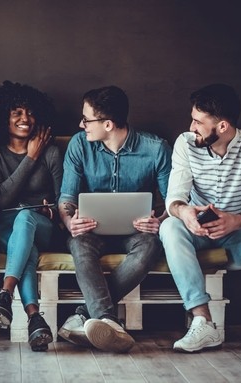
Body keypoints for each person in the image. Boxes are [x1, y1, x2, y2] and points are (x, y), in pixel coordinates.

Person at [159, 83, 241, 352]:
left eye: (198, 122)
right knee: (170, 226)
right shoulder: (185, 143)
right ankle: (202, 321)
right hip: (198, 234)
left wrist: (238, 220)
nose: (192, 127)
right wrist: (185, 212)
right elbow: (174, 197)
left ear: (223, 127)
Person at [58, 86, 172, 352]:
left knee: (150, 246)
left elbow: (173, 201)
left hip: (137, 232)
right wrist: (69, 221)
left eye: (86, 119)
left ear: (107, 124)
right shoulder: (79, 144)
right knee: (78, 243)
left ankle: (87, 315)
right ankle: (108, 320)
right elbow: (66, 198)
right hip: (92, 231)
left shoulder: (156, 149)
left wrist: (160, 219)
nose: (81, 124)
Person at [0, 81, 63, 351]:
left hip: (43, 224)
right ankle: (35, 318)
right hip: (4, 227)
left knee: (26, 219)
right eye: (16, 112)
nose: (25, 119)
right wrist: (30, 157)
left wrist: (54, 208)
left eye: (30, 112)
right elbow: (1, 197)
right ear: (2, 116)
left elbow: (65, 199)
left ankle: (5, 293)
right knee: (26, 249)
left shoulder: (50, 151)